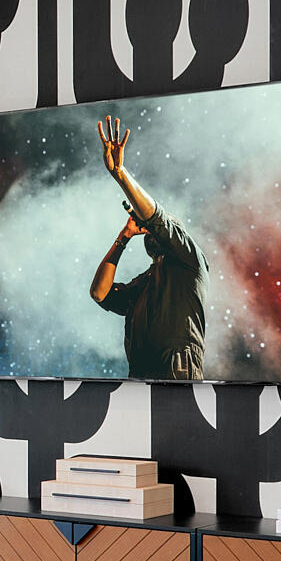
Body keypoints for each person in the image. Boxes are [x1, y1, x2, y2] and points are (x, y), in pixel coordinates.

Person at [88, 115, 207, 380]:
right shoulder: (145, 282)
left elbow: (158, 219)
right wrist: (124, 236)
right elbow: (99, 293)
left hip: (177, 368)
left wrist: (121, 175)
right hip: (139, 373)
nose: (150, 229)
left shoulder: (190, 260)